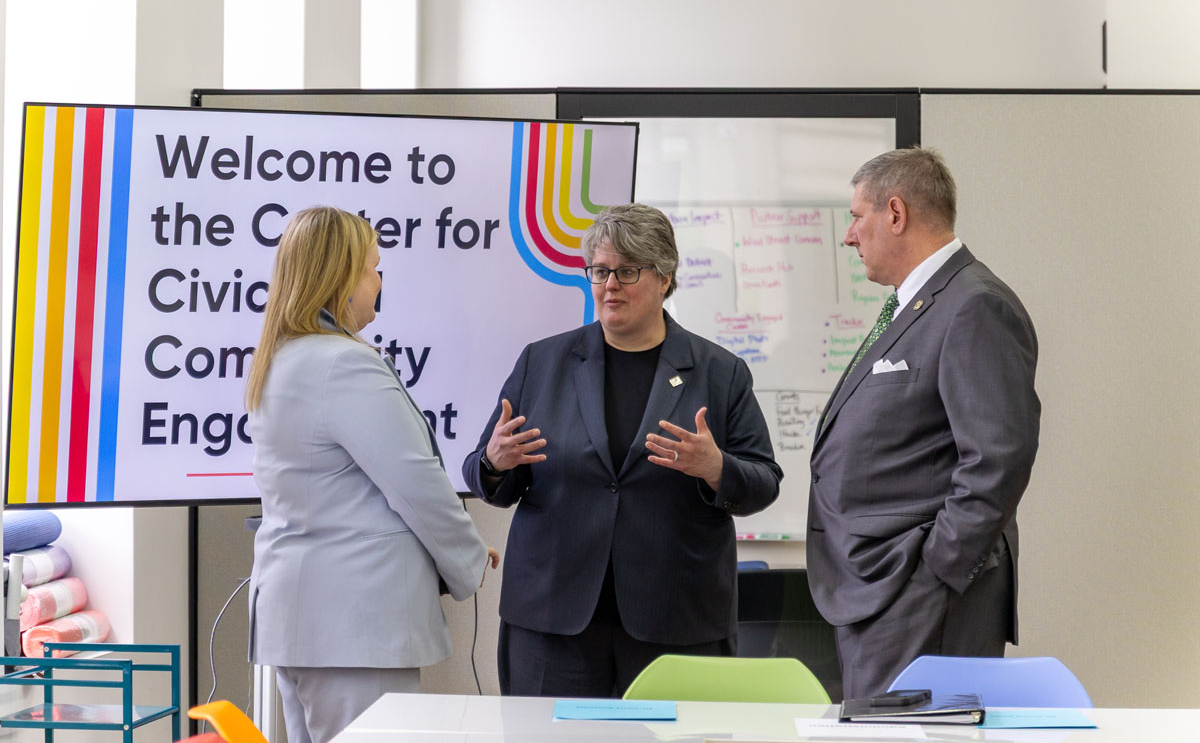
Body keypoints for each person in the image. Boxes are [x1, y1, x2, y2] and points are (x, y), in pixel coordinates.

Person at [463, 203, 783, 698]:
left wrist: (717, 469)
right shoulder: (543, 362)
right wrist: (493, 463)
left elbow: (763, 481)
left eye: (627, 271)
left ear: (665, 278)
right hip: (553, 619)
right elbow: (488, 474)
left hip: (676, 620)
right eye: (599, 270)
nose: (609, 284)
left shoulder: (720, 373)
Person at [244, 206, 498, 743]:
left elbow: (342, 495)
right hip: (353, 629)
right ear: (342, 277)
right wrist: (469, 559)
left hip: (304, 622)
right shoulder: (344, 363)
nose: (379, 282)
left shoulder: (282, 358)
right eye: (374, 267)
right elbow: (417, 483)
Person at [807, 148, 1040, 699]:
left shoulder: (973, 305)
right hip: (881, 589)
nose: (849, 236)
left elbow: (997, 458)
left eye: (856, 217)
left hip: (921, 593)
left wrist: (935, 571)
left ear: (895, 213)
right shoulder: (921, 304)